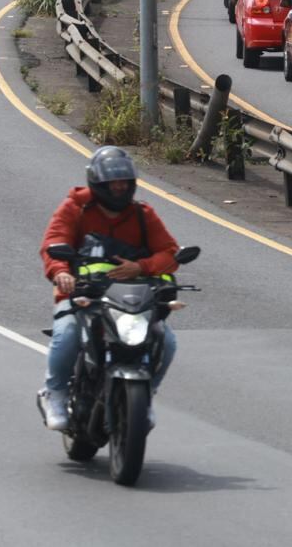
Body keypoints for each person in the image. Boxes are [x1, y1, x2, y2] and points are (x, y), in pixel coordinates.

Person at [36, 146, 181, 432]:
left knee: (166, 341)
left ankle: (146, 396)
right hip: (81, 296)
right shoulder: (74, 209)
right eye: (113, 182)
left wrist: (141, 267)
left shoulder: (142, 214)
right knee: (67, 335)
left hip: (131, 299)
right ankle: (54, 393)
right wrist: (62, 272)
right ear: (98, 183)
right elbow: (52, 245)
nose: (119, 188)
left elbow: (169, 253)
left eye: (124, 182)